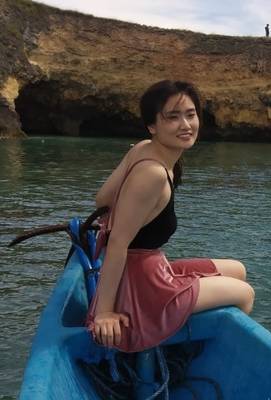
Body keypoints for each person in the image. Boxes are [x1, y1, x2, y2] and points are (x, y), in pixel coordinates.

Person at [87, 80, 255, 351]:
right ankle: (192, 355)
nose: (186, 125)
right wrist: (104, 312)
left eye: (190, 114)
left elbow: (102, 200)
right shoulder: (152, 173)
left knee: (238, 270)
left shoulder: (143, 149)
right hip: (139, 286)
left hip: (149, 267)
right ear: (152, 126)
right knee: (245, 294)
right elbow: (118, 242)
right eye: (173, 117)